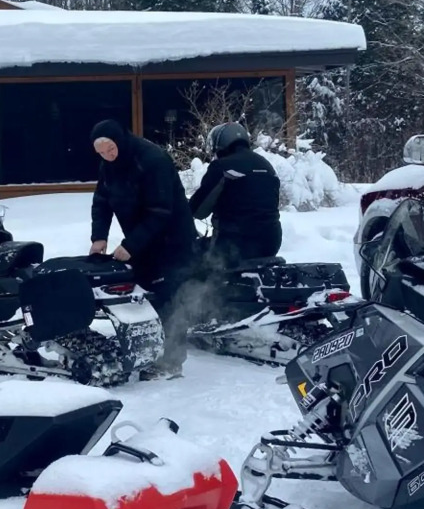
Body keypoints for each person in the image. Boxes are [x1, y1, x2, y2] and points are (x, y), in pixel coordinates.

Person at [88, 119, 198, 378]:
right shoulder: (109, 165)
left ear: (121, 140)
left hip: (173, 240)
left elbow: (160, 211)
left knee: (168, 297)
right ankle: (150, 352)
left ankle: (171, 362)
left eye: (110, 150)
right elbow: (102, 201)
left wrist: (131, 244)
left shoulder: (152, 160)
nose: (107, 156)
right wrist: (99, 237)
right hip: (144, 239)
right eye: (101, 153)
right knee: (146, 295)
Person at [189, 122, 282, 267]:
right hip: (271, 243)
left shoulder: (222, 166)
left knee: (188, 253)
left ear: (221, 143)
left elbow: (199, 211)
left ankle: (193, 290)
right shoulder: (266, 165)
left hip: (234, 244)